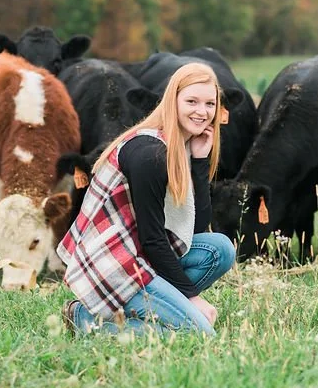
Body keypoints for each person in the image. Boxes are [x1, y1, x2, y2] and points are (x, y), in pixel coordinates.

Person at [57, 62, 236, 336]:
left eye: (210, 104)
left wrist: (200, 163)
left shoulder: (180, 146)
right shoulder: (151, 154)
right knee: (199, 335)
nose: (202, 112)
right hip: (115, 264)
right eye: (192, 101)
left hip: (141, 256)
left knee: (220, 248)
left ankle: (158, 310)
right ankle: (85, 320)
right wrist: (191, 297)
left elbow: (195, 229)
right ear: (172, 101)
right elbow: (153, 239)